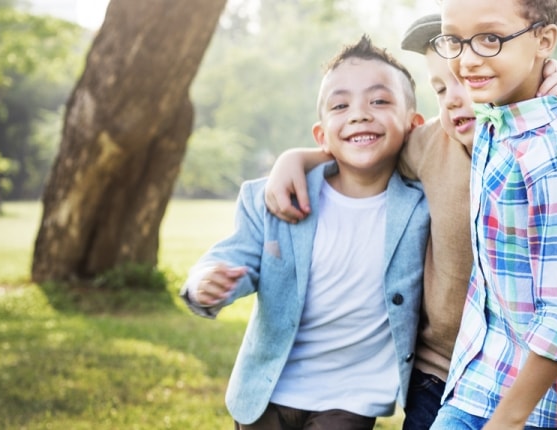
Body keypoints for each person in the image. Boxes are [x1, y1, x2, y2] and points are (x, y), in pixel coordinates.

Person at [259, 13, 557, 430]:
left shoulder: (549, 147)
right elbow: (365, 149)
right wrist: (298, 158)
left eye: (466, 76)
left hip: (534, 379)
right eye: (440, 87)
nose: (455, 95)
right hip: (442, 375)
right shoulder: (430, 145)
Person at [179, 35, 430, 429]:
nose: (360, 114)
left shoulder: (423, 207)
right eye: (341, 105)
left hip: (352, 397)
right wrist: (203, 283)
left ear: (414, 125)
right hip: (268, 390)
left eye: (379, 101)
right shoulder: (273, 197)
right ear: (321, 135)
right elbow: (236, 256)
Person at [426, 0, 557, 427]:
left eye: (489, 38)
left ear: (544, 40)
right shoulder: (495, 121)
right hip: (482, 381)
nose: (466, 60)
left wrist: (508, 419)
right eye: (453, 40)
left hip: (551, 411)